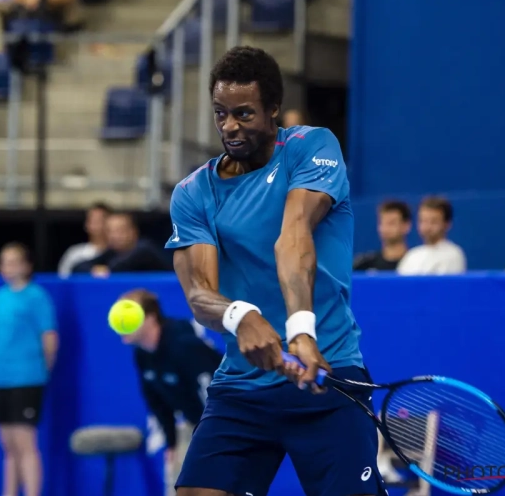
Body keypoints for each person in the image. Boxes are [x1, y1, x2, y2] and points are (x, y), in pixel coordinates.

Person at [165, 45, 385, 496]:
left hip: (328, 378)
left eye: (244, 114)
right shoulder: (193, 193)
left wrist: (301, 330)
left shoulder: (311, 146)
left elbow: (294, 235)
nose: (230, 126)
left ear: (273, 110)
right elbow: (199, 293)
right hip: (242, 389)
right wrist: (239, 316)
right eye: (220, 113)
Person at [115, 289, 222, 496]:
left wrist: (215, 438)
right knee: (177, 481)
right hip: (194, 424)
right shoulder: (142, 354)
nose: (121, 321)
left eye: (129, 315)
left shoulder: (183, 346)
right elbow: (157, 402)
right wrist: (171, 442)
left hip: (221, 422)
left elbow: (213, 395)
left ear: (151, 317)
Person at [0, 242, 58, 496]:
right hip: (0, 377)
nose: (7, 267)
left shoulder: (37, 296)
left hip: (27, 377)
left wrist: (40, 371)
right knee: (8, 446)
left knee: (26, 443)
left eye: (13, 261)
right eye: (3, 261)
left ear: (27, 265)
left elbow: (49, 339)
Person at [397, 196, 467, 275]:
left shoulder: (453, 255)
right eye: (423, 221)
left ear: (447, 224)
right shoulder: (411, 255)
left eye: (433, 222)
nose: (427, 227)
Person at [57, 202, 113, 278]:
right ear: (86, 224)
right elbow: (63, 280)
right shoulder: (74, 254)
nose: (96, 225)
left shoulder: (120, 254)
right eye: (92, 220)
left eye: (100, 220)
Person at [354, 200, 412, 272]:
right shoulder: (364, 265)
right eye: (382, 223)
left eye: (391, 223)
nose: (386, 228)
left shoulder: (416, 264)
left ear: (406, 226)